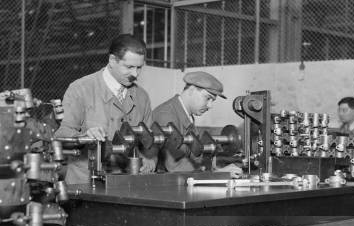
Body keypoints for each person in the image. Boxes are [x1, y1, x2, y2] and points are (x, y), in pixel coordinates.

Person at [54, 34, 156, 184]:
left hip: (127, 183)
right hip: (85, 183)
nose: (135, 74)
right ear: (112, 60)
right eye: (129, 67)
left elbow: (150, 141)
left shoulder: (142, 97)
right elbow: (61, 135)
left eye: (139, 68)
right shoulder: (81, 89)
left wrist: (150, 159)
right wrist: (85, 136)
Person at [153, 71, 242, 175]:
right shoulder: (166, 115)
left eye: (212, 101)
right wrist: (217, 174)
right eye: (208, 98)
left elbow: (194, 154)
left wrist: (217, 169)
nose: (210, 106)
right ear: (191, 90)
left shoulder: (186, 114)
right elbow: (175, 166)